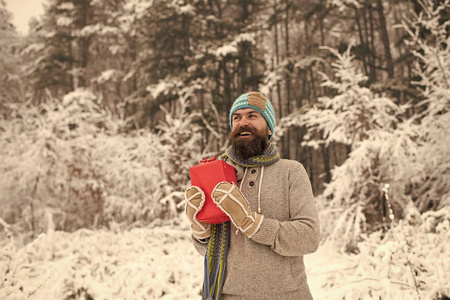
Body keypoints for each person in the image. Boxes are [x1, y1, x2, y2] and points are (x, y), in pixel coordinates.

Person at [185, 91, 320, 300]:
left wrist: (253, 224)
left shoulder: (291, 172)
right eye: (236, 117)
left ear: (269, 128)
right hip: (224, 295)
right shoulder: (217, 173)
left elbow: (309, 237)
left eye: (252, 116)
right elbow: (206, 251)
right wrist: (200, 231)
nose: (243, 123)